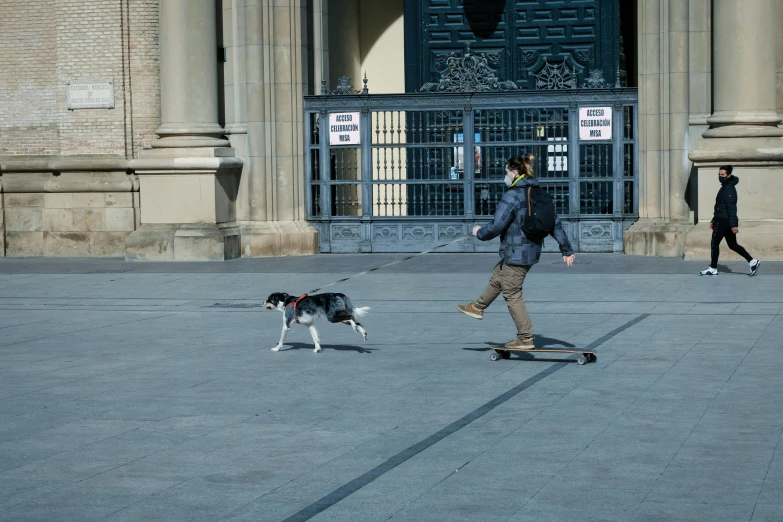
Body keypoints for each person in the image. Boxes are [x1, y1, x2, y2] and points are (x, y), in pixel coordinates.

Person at [457, 155, 575, 349]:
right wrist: (566, 249)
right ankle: (477, 307)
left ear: (514, 172)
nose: (505, 176)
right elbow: (554, 222)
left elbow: (496, 225)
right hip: (529, 251)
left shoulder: (512, 195)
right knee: (498, 277)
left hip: (516, 252)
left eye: (506, 172)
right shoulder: (538, 192)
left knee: (511, 292)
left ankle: (525, 337)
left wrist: (479, 233)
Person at [699, 165, 760, 276]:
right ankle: (752, 261)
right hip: (722, 219)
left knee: (714, 243)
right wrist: (713, 220)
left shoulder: (728, 188)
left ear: (729, 175)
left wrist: (733, 225)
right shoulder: (726, 186)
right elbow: (720, 206)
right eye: (719, 174)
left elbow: (731, 208)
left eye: (723, 175)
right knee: (732, 245)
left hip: (723, 221)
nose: (720, 176)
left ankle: (713, 268)